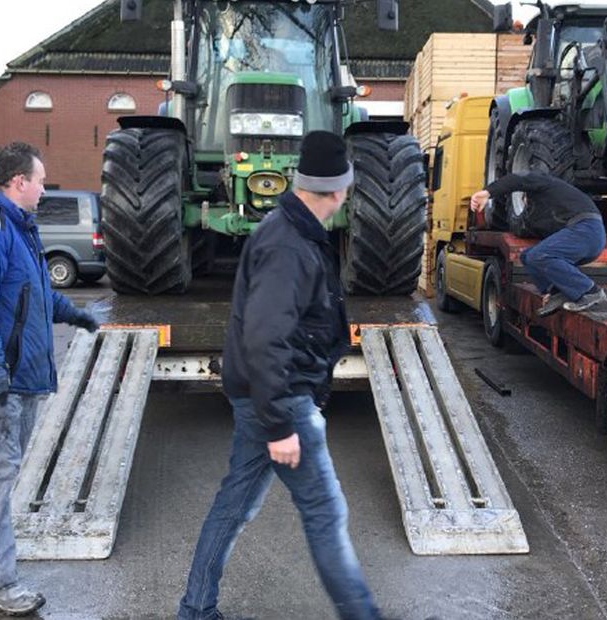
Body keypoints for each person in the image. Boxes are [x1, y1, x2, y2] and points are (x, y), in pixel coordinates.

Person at [177, 131, 379, 620]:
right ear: (336, 189)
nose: (348, 194)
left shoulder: (289, 230)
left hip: (264, 399)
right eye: (347, 186)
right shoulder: (289, 245)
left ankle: (195, 609)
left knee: (234, 505)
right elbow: (266, 339)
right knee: (326, 515)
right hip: (283, 401)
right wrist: (281, 425)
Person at [0, 142, 99, 614]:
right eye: (41, 181)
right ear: (18, 182)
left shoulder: (15, 225)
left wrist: (76, 315)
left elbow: (35, 294)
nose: (45, 189)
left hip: (12, 373)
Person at [470, 171, 607, 315]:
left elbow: (516, 180)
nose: (525, 205)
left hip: (587, 230)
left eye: (525, 200)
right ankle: (556, 291)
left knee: (539, 255)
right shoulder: (550, 209)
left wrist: (487, 193)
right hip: (584, 236)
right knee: (527, 256)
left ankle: (590, 291)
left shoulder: (542, 182)